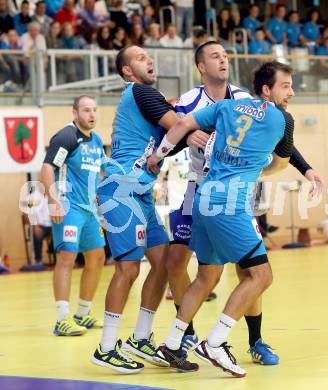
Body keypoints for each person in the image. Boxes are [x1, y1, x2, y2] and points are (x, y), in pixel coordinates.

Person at [161, 42, 322, 366]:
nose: (223, 59)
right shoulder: (196, 100)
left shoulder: (233, 103)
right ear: (201, 66)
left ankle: (181, 341)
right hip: (217, 194)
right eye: (215, 56)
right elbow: (281, 154)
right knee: (258, 274)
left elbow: (178, 128)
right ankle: (213, 341)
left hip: (208, 194)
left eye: (225, 55)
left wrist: (156, 156)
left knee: (210, 275)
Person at [90, 45, 205, 374]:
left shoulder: (148, 100)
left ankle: (140, 338)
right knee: (128, 269)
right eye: (140, 58)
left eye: (148, 56)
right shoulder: (140, 92)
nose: (149, 60)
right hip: (119, 189)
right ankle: (106, 346)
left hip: (139, 191)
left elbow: (176, 134)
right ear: (127, 71)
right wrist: (213, 130)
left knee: (164, 262)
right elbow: (182, 130)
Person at [40, 95, 106, 336]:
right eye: (86, 110)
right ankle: (62, 319)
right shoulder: (67, 137)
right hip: (68, 208)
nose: (91, 114)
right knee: (67, 257)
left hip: (89, 210)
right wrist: (52, 199)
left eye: (94, 110)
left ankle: (83, 313)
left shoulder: (97, 140)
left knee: (97, 257)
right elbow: (47, 168)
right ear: (74, 113)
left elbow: (101, 169)